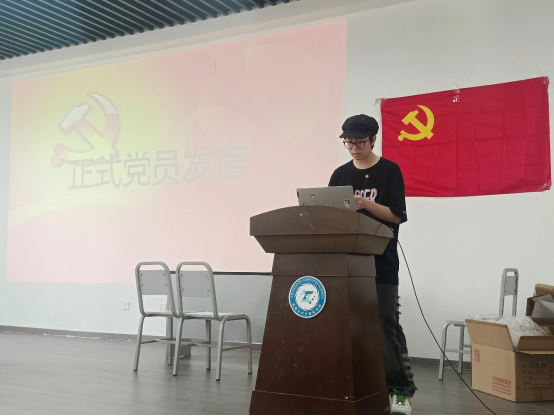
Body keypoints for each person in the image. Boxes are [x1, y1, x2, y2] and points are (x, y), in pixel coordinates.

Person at [329, 114, 416, 415]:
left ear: (374, 140)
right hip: (346, 263)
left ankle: (400, 392)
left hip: (382, 262)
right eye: (348, 143)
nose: (354, 148)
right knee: (347, 327)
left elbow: (397, 216)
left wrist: (366, 204)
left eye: (360, 143)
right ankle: (356, 386)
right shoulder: (340, 175)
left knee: (385, 326)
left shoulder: (390, 170)